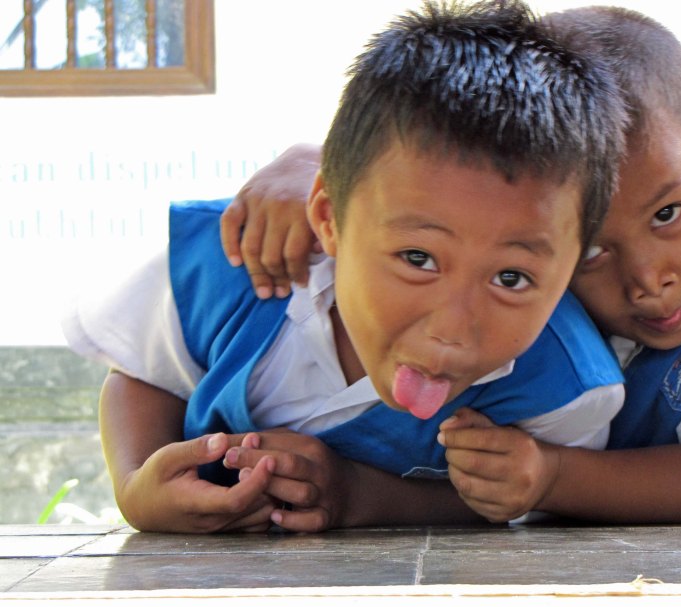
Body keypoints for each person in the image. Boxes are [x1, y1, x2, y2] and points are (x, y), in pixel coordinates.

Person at [224, 6, 681, 522]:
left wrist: (551, 476)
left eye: (668, 215)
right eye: (592, 253)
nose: (648, 280)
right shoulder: (519, 254)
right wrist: (315, 164)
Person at [63, 0, 628, 533]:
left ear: (572, 269)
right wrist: (137, 487)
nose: (453, 327)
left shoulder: (564, 392)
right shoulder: (234, 262)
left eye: (511, 278)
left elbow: (533, 509)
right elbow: (144, 374)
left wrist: (359, 495)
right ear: (329, 220)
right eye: (418, 259)